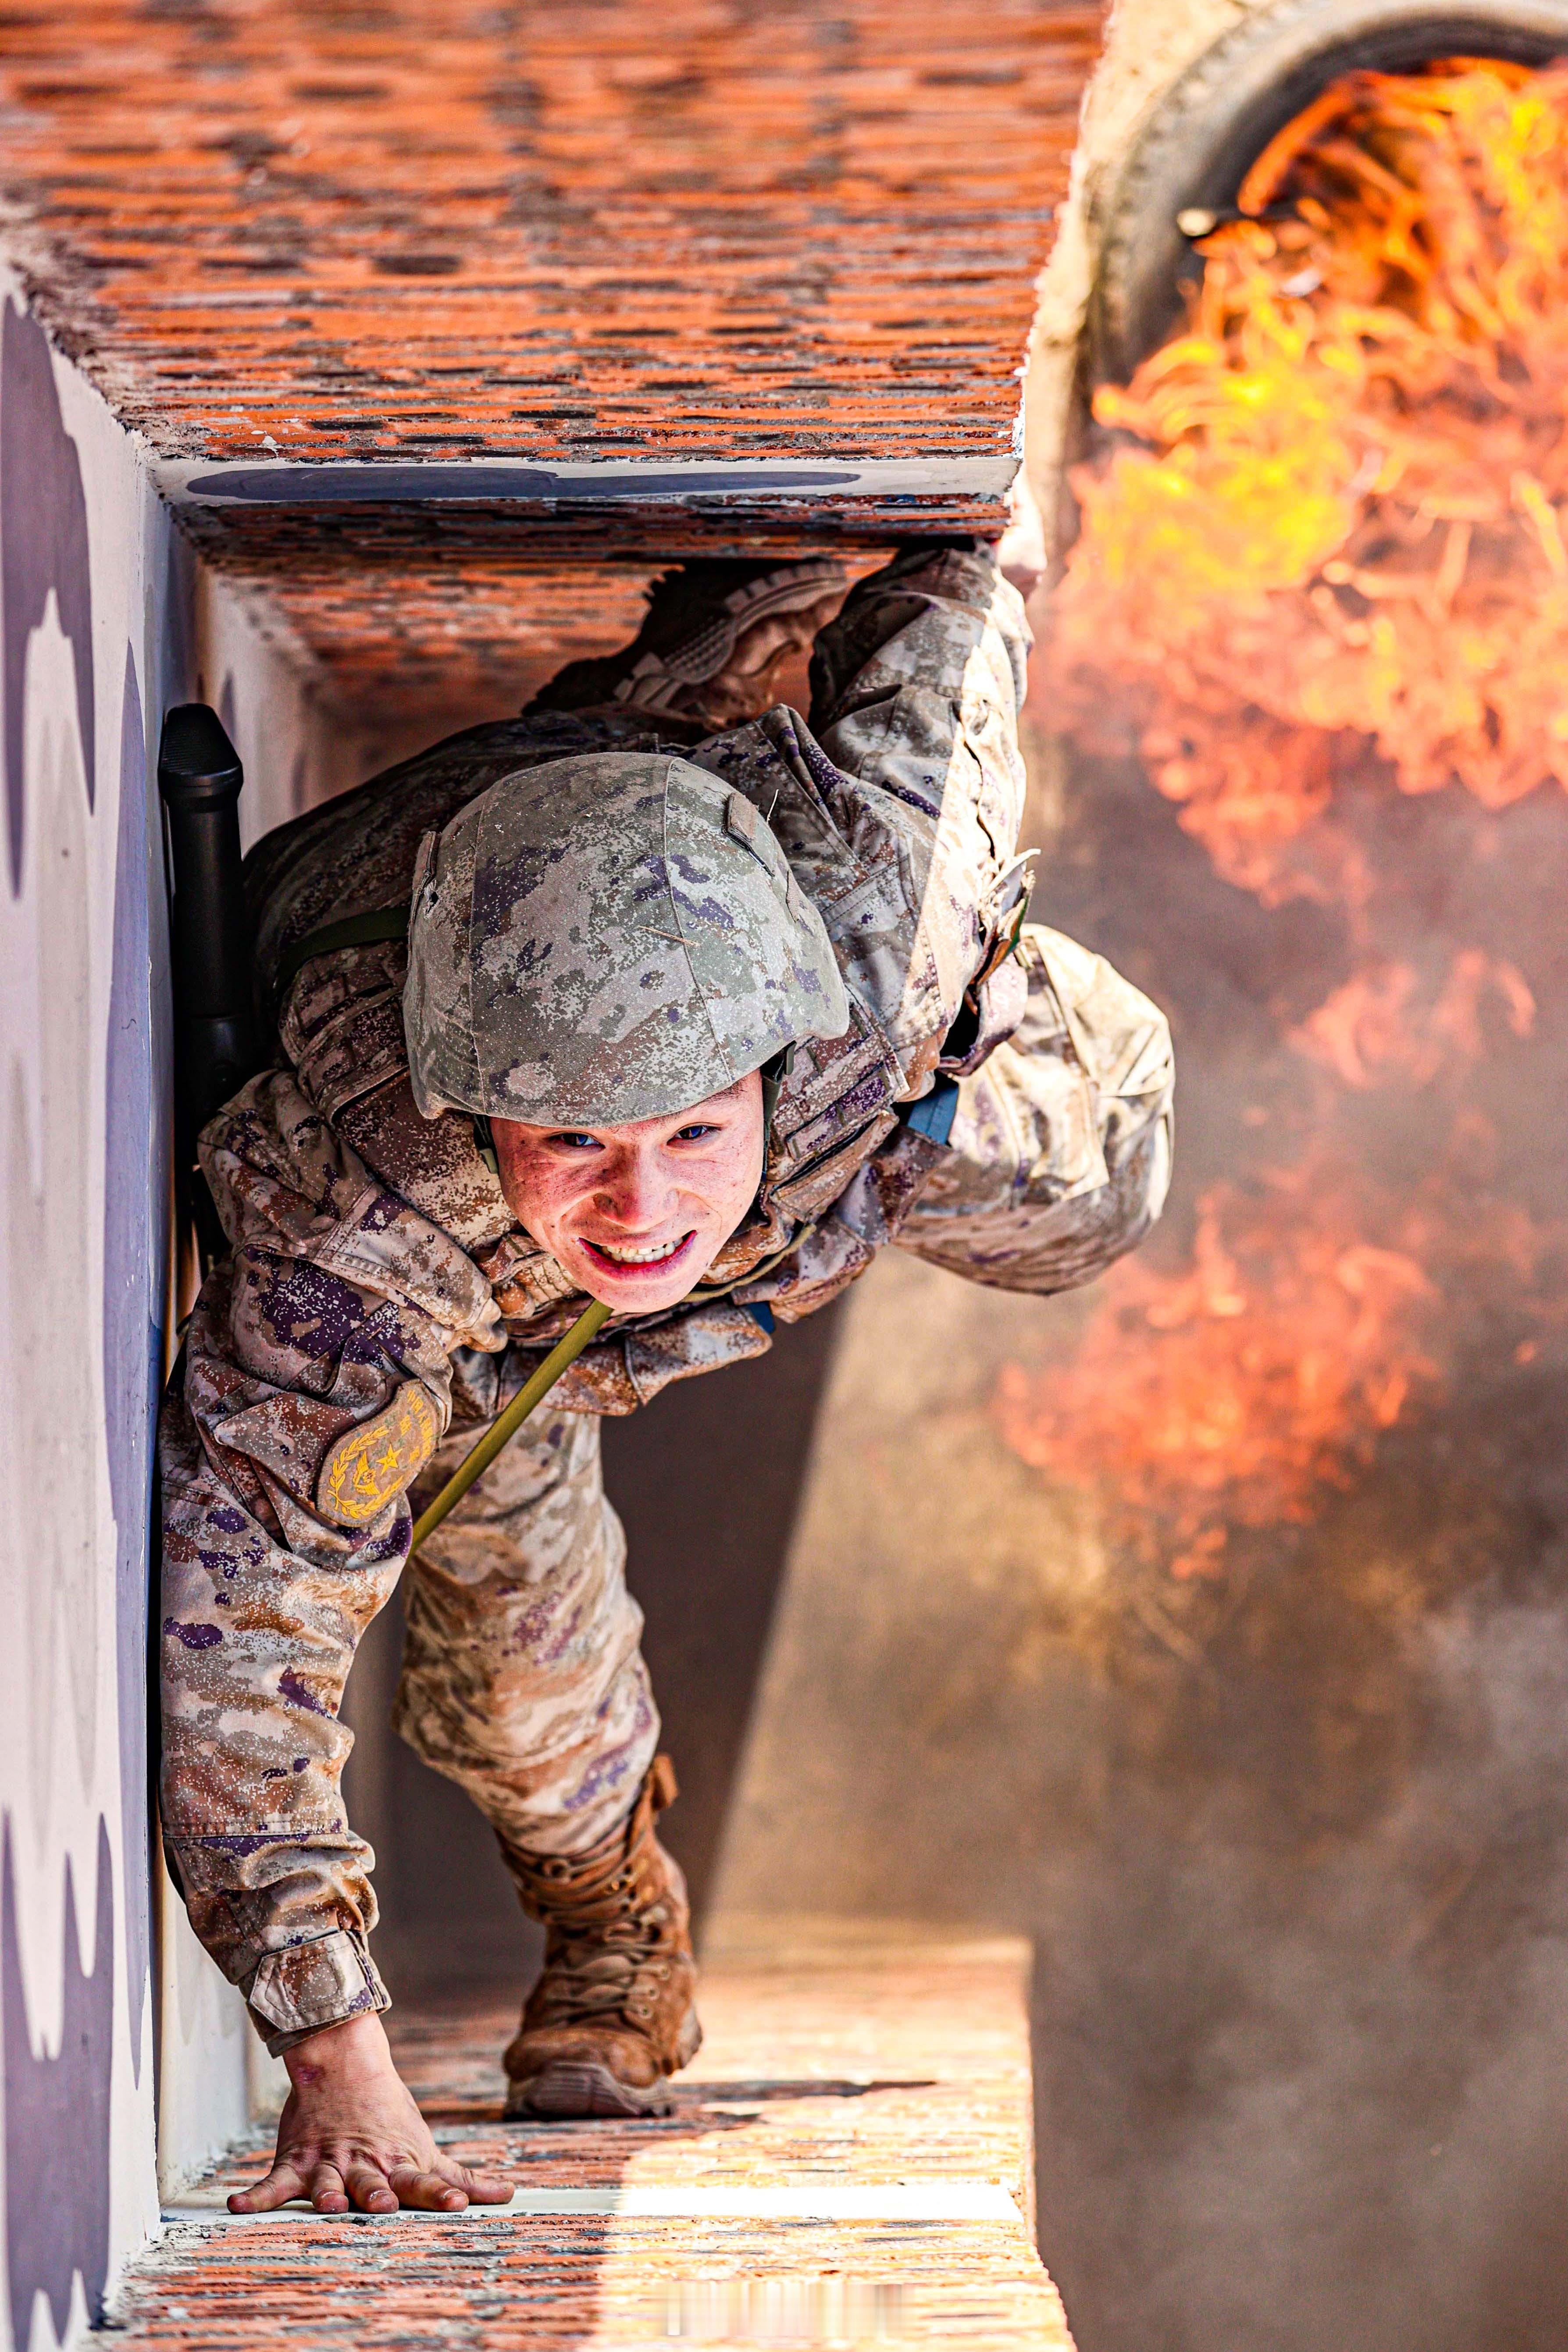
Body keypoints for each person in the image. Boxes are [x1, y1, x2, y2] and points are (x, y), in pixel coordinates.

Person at [159, 535, 1174, 2216]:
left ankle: (703, 712)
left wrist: (970, 549)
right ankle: (618, 1918)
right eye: (576, 1141)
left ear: (776, 1067)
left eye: (696, 1131)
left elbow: (961, 607)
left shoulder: (873, 945)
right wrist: (330, 2050)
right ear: (484, 1113)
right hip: (490, 1275)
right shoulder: (363, 1218)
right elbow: (242, 1630)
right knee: (522, 1681)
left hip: (806, 974)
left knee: (1070, 1179)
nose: (646, 1209)